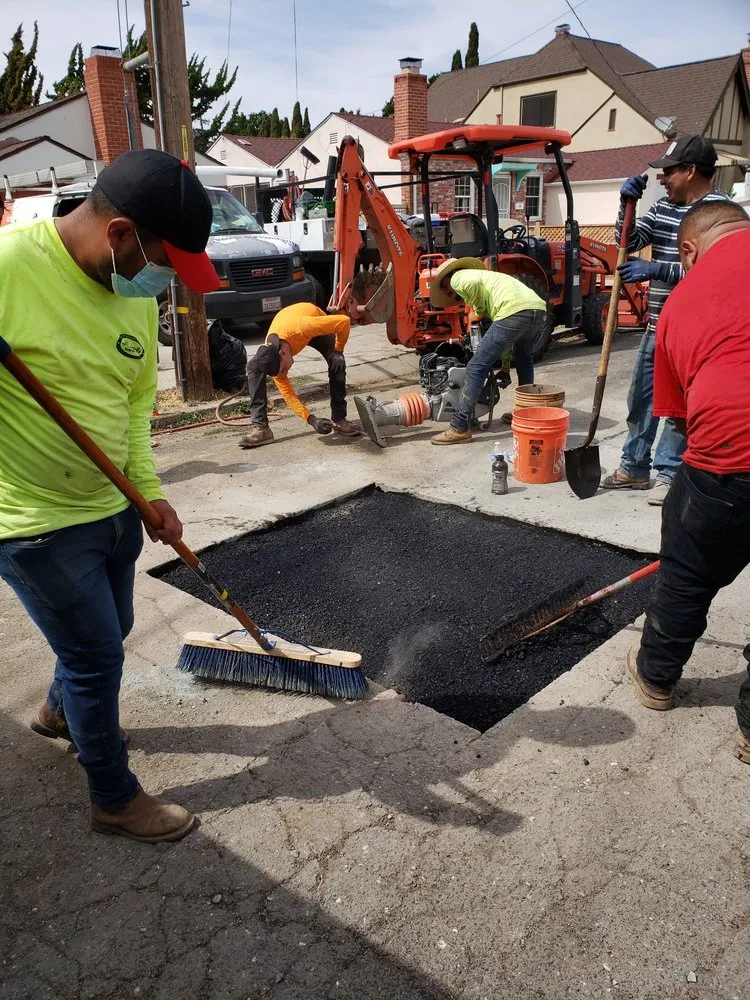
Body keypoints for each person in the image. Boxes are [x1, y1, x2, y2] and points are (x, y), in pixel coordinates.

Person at [0, 149, 221, 842]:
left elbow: (130, 410)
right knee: (98, 656)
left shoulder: (133, 302)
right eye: (166, 264)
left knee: (111, 629)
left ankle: (59, 714)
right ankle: (113, 797)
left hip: (114, 510)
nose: (168, 285)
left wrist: (148, 495)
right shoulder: (8, 269)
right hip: (35, 522)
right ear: (121, 234)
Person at [626, 199, 750, 765]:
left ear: (690, 249)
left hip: (725, 462)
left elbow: (676, 419)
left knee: (686, 570)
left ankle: (656, 678)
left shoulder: (681, 302)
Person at [602, 135, 729, 506]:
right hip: (658, 325)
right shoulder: (662, 207)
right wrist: (626, 205)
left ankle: (670, 473)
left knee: (679, 408)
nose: (662, 178)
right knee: (641, 399)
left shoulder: (723, 214)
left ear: (690, 171)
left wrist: (660, 268)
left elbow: (719, 271)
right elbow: (627, 240)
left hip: (697, 332)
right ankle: (634, 467)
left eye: (668, 171)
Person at [428, 258, 547, 445]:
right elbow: (508, 338)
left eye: (446, 289)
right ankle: (526, 413)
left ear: (446, 281)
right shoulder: (490, 279)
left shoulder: (457, 278)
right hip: (538, 310)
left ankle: (459, 427)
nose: (449, 292)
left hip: (514, 313)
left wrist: (479, 311)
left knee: (476, 367)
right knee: (524, 358)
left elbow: (475, 291)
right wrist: (506, 367)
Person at [238, 302, 360, 447]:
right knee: (254, 366)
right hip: (289, 326)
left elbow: (343, 321)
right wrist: (312, 420)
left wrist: (338, 350)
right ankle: (261, 428)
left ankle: (339, 419)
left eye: (284, 370)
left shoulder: (305, 326)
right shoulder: (270, 357)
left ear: (282, 353)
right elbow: (289, 396)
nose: (285, 373)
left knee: (337, 361)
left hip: (309, 321)